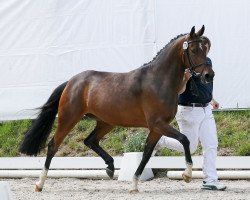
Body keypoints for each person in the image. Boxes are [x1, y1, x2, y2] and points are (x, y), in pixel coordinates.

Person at [157, 36, 226, 191]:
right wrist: (186, 79)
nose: (205, 50)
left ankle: (210, 180)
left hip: (206, 109)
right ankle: (160, 140)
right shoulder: (184, 65)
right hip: (188, 110)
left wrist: (212, 99)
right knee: (192, 147)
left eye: (207, 48)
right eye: (203, 48)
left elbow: (204, 86)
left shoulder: (208, 63)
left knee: (211, 144)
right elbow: (178, 91)